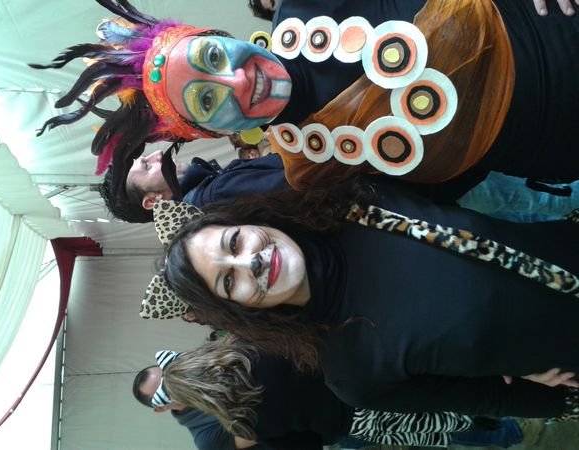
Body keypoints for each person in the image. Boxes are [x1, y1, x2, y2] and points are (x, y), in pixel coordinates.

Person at [32, 0, 579, 212]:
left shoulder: (306, 6)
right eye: (207, 97)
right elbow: (438, 193)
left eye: (214, 55)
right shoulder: (313, 165)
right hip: (559, 148)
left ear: (220, 36)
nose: (237, 78)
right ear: (205, 132)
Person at [139, 177, 579, 420]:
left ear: (247, 221)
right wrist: (549, 394)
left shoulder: (354, 200)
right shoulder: (353, 376)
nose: (249, 262)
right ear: (240, 312)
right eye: (228, 281)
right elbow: (489, 400)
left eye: (234, 243)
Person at [155, 344, 533, 449]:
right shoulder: (250, 346)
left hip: (355, 418)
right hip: (360, 374)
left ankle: (508, 431)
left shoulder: (244, 422)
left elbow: (304, 443)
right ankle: (523, 391)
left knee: (440, 426)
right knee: (444, 390)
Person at [100, 148, 288, 222]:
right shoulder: (214, 195)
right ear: (152, 201)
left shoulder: (202, 209)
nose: (158, 153)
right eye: (147, 166)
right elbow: (300, 180)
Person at [133, 363, 259, 449]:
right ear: (161, 408)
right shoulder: (207, 437)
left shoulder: (208, 367)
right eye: (164, 389)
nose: (174, 381)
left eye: (168, 372)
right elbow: (261, 431)